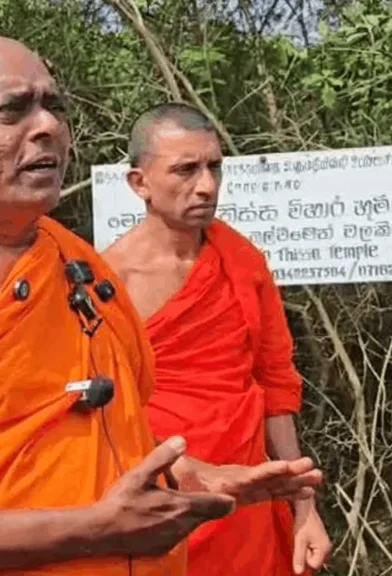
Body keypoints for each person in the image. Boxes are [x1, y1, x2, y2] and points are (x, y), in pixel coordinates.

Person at [0, 35, 324, 576]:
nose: (47, 125)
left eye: (55, 106)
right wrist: (92, 531)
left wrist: (196, 474)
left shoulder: (82, 265)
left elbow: (109, 435)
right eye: (13, 111)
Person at [102, 102, 333, 575]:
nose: (207, 185)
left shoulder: (242, 260)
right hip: (163, 492)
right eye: (186, 170)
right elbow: (103, 413)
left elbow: (276, 382)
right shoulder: (108, 281)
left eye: (214, 167)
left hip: (249, 491)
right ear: (139, 183)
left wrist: (304, 507)